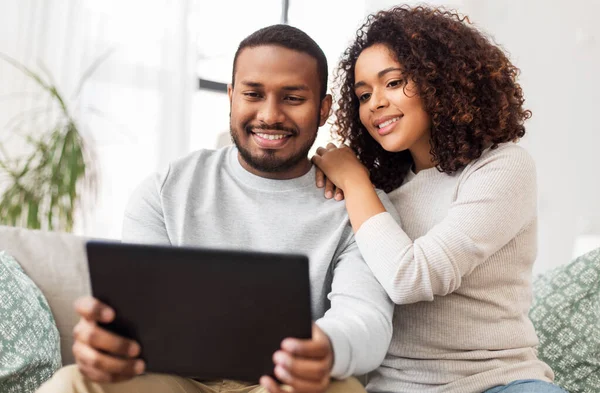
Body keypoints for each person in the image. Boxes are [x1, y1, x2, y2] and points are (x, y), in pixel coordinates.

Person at [36, 24, 396, 393]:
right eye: (253, 94)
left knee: (344, 390)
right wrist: (110, 338)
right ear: (231, 97)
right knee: (70, 384)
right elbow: (140, 312)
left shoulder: (359, 204)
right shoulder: (166, 190)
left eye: (292, 98)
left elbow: (366, 317)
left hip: (285, 383)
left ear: (323, 109)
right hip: (176, 381)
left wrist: (324, 348)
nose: (269, 115)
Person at [311, 5, 567, 393]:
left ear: (442, 83)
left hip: (497, 383)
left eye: (394, 82)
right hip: (396, 387)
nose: (375, 103)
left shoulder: (502, 168)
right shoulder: (379, 186)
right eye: (363, 95)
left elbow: (412, 278)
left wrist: (355, 182)